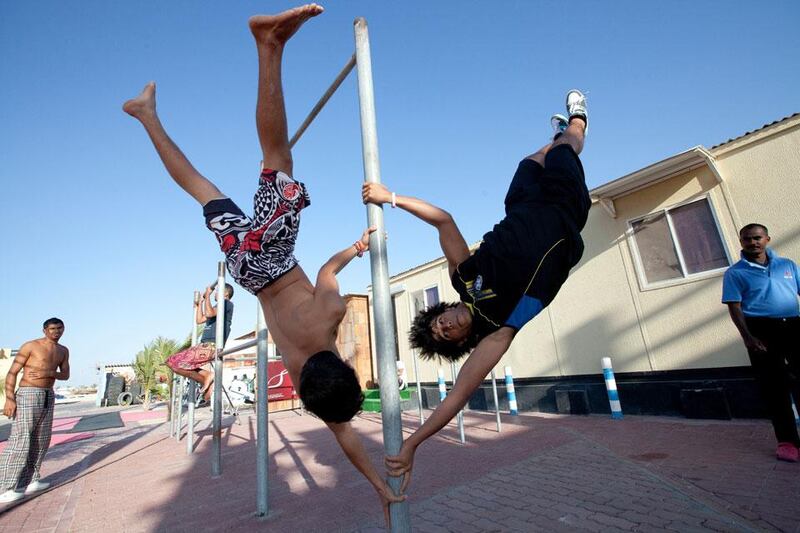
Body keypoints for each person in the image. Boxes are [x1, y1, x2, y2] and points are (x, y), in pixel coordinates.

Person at [122, 4, 404, 519]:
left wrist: (354, 250)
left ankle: (267, 45)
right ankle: (146, 115)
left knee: (279, 161)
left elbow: (327, 273)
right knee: (202, 189)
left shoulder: (328, 320)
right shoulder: (304, 381)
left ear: (343, 366)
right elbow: (344, 435)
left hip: (272, 259)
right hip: (247, 273)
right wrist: (378, 487)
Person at [363, 91, 591, 490]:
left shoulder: (462, 277)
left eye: (438, 322)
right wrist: (413, 443)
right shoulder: (497, 330)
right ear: (460, 341)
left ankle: (556, 137)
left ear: (441, 311)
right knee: (565, 151)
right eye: (444, 336)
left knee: (529, 161)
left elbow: (443, 221)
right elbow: (455, 398)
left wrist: (391, 197)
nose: (445, 326)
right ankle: (577, 120)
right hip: (562, 212)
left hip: (520, 206)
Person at [722, 223, 800, 462]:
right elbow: (735, 307)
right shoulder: (735, 273)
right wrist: (748, 337)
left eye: (757, 238)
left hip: (794, 325)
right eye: (747, 239)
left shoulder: (787, 265)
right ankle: (787, 442)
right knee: (774, 387)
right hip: (761, 330)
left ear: (767, 238)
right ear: (741, 242)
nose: (753, 242)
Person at [0, 318, 71, 503]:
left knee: (42, 439)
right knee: (21, 439)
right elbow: (12, 373)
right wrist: (9, 399)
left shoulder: (63, 350)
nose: (56, 332)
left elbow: (65, 374)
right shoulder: (31, 346)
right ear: (45, 330)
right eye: (53, 329)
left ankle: (29, 481)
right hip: (28, 393)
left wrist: (48, 373)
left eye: (60, 328)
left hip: (48, 394)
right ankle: (4, 488)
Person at [165, 283, 234, 401]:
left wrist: (207, 295)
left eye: (217, 291)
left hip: (212, 345)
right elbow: (199, 319)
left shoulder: (227, 304)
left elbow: (209, 313)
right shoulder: (217, 307)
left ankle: (206, 379)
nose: (215, 293)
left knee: (174, 363)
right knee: (172, 362)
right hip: (204, 344)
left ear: (226, 293)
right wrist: (200, 303)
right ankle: (206, 377)